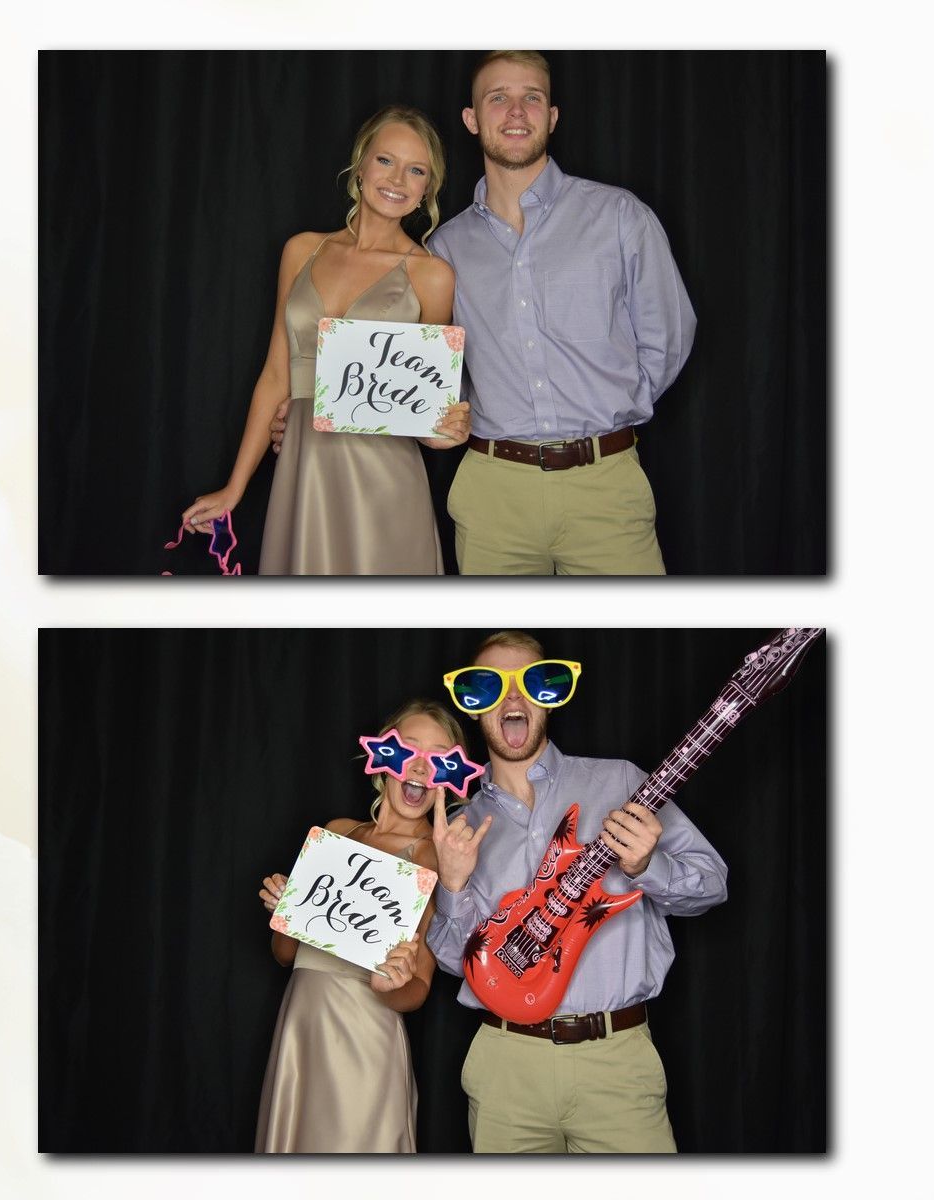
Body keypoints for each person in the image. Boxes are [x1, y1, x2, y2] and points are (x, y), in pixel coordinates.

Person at [270, 53, 695, 574]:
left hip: (606, 486)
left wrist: (612, 413)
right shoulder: (442, 251)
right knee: (501, 651)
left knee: (629, 644)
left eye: (531, 97)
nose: (516, 110)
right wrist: (312, 403)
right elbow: (401, 366)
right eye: (498, 98)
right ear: (472, 119)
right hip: (491, 494)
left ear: (552, 116)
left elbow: (669, 337)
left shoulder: (619, 215)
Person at [425, 631, 728, 1152]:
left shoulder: (623, 783)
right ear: (474, 709)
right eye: (491, 686)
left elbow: (713, 883)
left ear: (552, 697)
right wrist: (451, 885)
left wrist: (648, 866)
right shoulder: (458, 826)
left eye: (532, 682)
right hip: (505, 1069)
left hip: (616, 1063)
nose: (513, 698)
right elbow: (458, 962)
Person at [182, 106, 471, 575]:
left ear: (426, 190)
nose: (398, 178)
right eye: (385, 161)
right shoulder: (301, 250)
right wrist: (234, 488)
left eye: (416, 170)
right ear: (360, 166)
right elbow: (276, 375)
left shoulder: (433, 276)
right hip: (303, 468)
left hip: (384, 477)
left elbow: (430, 402)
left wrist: (443, 430)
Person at [252, 700, 461, 1152]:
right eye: (408, 749)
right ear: (382, 757)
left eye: (438, 757)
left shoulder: (431, 859)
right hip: (300, 1030)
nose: (420, 768)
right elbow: (286, 955)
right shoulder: (337, 832)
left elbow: (417, 988)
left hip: (364, 1040)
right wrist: (287, 909)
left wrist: (396, 984)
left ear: (452, 776)